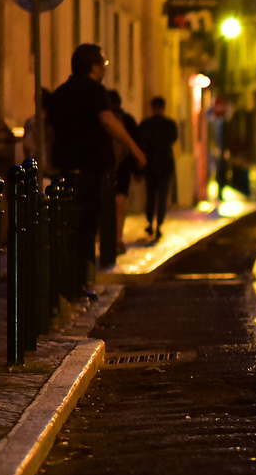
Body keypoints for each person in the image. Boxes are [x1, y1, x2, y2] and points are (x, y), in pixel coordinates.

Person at [46, 43, 145, 292]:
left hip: (64, 168)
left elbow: (50, 131)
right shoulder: (95, 91)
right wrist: (135, 149)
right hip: (90, 168)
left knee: (68, 224)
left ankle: (67, 279)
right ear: (94, 66)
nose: (105, 69)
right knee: (88, 226)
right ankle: (84, 280)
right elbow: (108, 122)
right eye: (104, 64)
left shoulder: (60, 93)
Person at [137, 95, 180, 240]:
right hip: (164, 165)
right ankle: (158, 225)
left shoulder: (146, 125)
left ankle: (151, 222)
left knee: (151, 195)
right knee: (161, 196)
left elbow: (141, 141)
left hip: (151, 165)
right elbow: (173, 139)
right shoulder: (169, 125)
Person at [109, 90, 141, 254]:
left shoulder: (102, 119)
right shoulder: (127, 120)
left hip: (105, 166)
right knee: (120, 201)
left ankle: (108, 238)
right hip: (123, 166)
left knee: (106, 203)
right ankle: (117, 239)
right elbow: (136, 140)